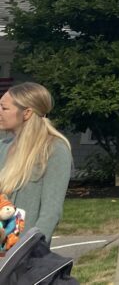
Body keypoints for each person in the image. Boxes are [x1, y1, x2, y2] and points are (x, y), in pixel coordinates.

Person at [0, 83, 73, 243]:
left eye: (4, 108)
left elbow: (50, 213)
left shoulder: (54, 150)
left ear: (27, 113)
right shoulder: (3, 146)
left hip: (23, 251)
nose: (0, 112)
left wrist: (28, 249)